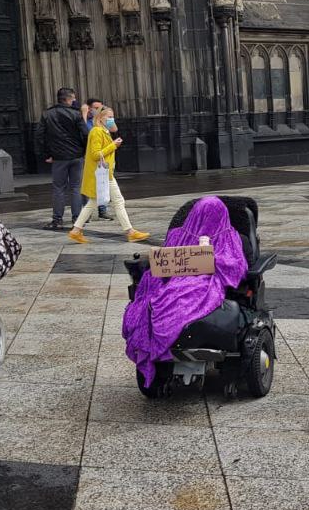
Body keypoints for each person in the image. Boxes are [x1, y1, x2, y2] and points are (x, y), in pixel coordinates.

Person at [124, 197, 247, 387]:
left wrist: (211, 259)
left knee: (185, 297)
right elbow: (167, 261)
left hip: (206, 281)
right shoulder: (178, 235)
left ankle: (168, 332)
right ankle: (163, 336)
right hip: (175, 280)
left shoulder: (228, 237)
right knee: (160, 297)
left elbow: (236, 266)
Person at [67, 105, 150, 244]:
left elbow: (112, 131)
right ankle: (130, 232)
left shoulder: (103, 131)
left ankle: (76, 230)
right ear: (100, 118)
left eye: (113, 117)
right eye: (109, 117)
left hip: (104, 174)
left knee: (93, 202)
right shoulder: (96, 132)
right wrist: (113, 145)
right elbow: (95, 154)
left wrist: (112, 129)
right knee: (117, 201)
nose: (112, 119)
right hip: (102, 174)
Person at [39, 87, 90, 230]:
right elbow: (86, 134)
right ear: (68, 99)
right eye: (73, 98)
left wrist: (46, 154)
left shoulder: (47, 114)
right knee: (76, 187)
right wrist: (83, 151)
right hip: (76, 155)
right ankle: (77, 219)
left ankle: (57, 220)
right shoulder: (76, 114)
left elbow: (39, 136)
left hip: (59, 157)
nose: (75, 101)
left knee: (58, 188)